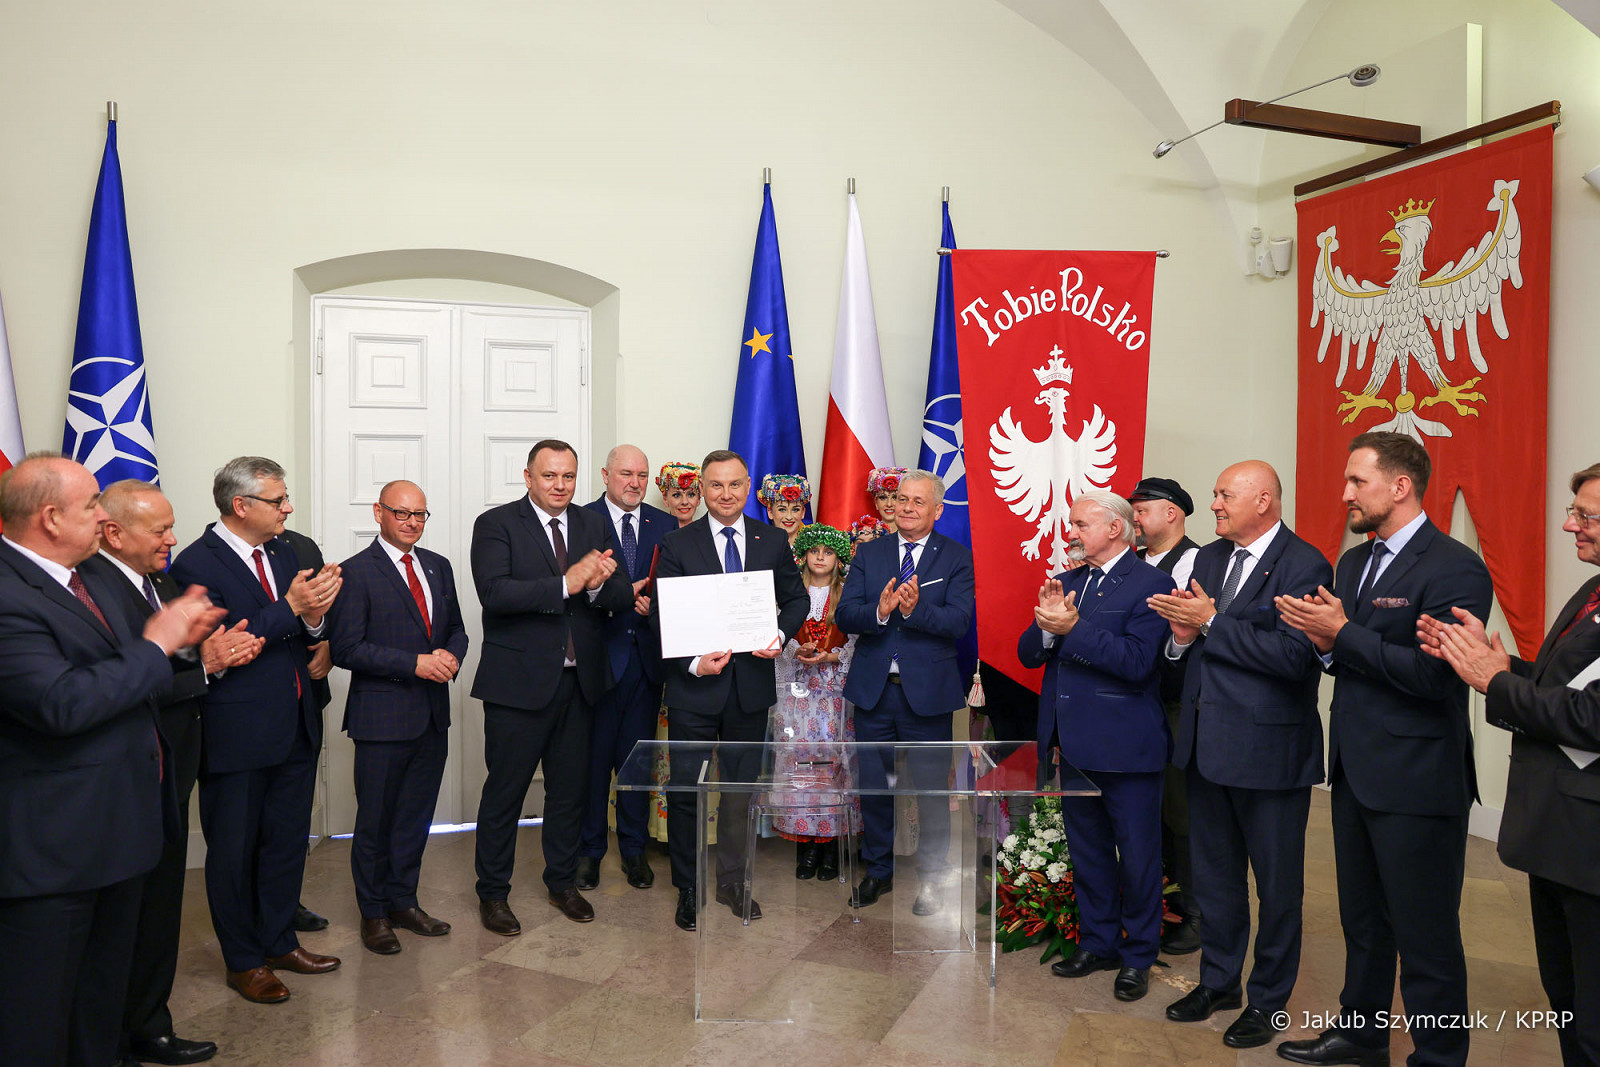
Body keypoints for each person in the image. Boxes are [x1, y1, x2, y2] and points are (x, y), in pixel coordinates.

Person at [1275, 432, 1492, 1067]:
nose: (1345, 493)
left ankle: (1439, 1055)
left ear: (1400, 486)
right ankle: (1361, 1036)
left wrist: (1342, 633)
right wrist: (1325, 644)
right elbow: (1350, 657)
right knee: (1364, 922)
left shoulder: (1453, 566)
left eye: (1357, 481)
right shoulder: (1352, 563)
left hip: (1418, 777)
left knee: (1426, 934)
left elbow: (1435, 677)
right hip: (1356, 770)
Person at [0, 454, 224, 1066]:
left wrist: (181, 642)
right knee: (41, 1014)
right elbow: (60, 702)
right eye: (92, 504)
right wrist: (159, 643)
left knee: (100, 1000)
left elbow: (123, 668)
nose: (104, 517)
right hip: (53, 849)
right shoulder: (8, 592)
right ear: (50, 518)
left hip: (118, 830)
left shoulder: (86, 578)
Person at [1418, 462, 1600, 1067]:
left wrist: (1496, 682)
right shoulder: (1592, 591)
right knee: (1568, 999)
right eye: (1574, 511)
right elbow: (1564, 689)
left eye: (1586, 515)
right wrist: (1500, 665)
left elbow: (1593, 717)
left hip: (1589, 845)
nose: (1570, 525)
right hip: (1560, 837)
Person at [1146, 462, 1330, 1050]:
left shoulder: (1305, 565)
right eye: (1216, 495)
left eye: (1226, 495)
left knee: (1277, 890)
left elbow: (1294, 658)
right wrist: (1181, 641)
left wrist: (1210, 622)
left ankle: (1268, 1001)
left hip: (1270, 754)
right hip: (1206, 749)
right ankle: (1219, 983)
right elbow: (1193, 645)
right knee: (1217, 882)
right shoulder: (1208, 558)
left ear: (1264, 500)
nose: (1215, 505)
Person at [84, 480, 263, 1067]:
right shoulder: (90, 587)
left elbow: (175, 658)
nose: (172, 539)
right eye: (159, 529)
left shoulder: (160, 582)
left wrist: (214, 654)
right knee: (123, 918)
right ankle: (115, 1038)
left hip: (173, 764)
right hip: (125, 774)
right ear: (113, 533)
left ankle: (150, 1025)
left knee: (161, 905)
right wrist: (204, 667)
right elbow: (120, 683)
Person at [170, 457, 345, 1005]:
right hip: (237, 731)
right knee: (234, 851)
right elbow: (233, 643)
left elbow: (305, 629)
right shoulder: (196, 563)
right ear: (240, 505)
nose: (289, 508)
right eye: (278, 500)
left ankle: (279, 941)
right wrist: (291, 606)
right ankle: (244, 960)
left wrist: (315, 619)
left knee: (285, 844)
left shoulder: (286, 551)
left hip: (296, 721)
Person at [470, 439, 633, 934]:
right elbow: (495, 593)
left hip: (579, 685)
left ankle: (562, 882)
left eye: (568, 476)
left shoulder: (591, 523)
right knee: (506, 794)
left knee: (569, 793)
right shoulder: (496, 524)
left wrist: (598, 584)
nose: (560, 485)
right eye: (549, 476)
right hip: (517, 688)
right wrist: (569, 582)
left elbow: (620, 593)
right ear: (528, 477)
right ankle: (493, 894)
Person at [1019, 490, 1173, 1003]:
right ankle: (1099, 943)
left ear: (1115, 529)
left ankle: (1138, 956)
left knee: (1139, 858)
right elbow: (1028, 654)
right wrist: (1047, 628)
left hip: (1128, 749)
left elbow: (1138, 663)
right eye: (1072, 524)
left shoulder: (1152, 583)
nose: (1072, 532)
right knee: (1088, 854)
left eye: (1081, 524)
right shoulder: (1067, 582)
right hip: (1073, 745)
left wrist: (1073, 629)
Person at [654, 449, 809, 931]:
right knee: (687, 792)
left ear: (748, 488)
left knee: (741, 793)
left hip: (750, 690)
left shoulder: (770, 540)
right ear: (703, 489)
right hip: (694, 690)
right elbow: (664, 615)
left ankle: (733, 883)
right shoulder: (677, 543)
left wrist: (778, 635)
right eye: (716, 485)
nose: (726, 494)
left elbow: (796, 599)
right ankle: (688, 887)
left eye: (735, 484)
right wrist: (694, 663)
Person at [328, 480, 468, 956]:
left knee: (414, 819)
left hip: (431, 717)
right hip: (381, 721)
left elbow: (457, 628)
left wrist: (450, 655)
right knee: (375, 822)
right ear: (379, 513)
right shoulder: (355, 572)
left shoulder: (438, 566)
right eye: (401, 512)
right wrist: (415, 664)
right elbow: (347, 649)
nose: (412, 522)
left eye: (419, 514)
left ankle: (404, 902)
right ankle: (373, 913)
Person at [837, 469, 975, 916]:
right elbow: (845, 614)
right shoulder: (869, 552)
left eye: (918, 501)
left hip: (928, 696)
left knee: (931, 792)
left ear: (937, 510)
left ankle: (933, 878)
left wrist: (916, 612)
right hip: (874, 693)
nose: (907, 508)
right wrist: (879, 612)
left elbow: (959, 622)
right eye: (902, 499)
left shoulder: (956, 557)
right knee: (875, 788)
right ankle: (878, 870)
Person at [578, 445, 670, 891]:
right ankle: (589, 851)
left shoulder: (664, 524)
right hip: (596, 662)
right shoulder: (582, 521)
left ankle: (634, 850)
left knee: (637, 763)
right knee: (593, 763)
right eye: (626, 473)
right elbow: (573, 591)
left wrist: (658, 607)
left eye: (642, 475)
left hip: (646, 663)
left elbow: (679, 585)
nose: (635, 483)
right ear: (605, 474)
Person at [1128, 475, 1204, 956]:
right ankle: (1156, 904)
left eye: (1142, 510)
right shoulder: (1135, 562)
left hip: (1178, 702)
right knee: (1148, 810)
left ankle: (1193, 912)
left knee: (1181, 811)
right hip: (1139, 701)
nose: (1134, 519)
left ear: (1171, 512)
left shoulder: (1198, 562)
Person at [771, 523, 859, 881]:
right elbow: (775, 631)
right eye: (814, 551)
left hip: (833, 694)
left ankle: (831, 846)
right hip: (797, 694)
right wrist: (797, 649)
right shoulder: (791, 592)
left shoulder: (848, 593)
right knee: (801, 766)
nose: (820, 557)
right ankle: (805, 845)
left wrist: (832, 656)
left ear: (839, 559)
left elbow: (857, 641)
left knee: (832, 765)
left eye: (829, 552)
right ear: (803, 555)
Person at [277, 526, 337, 935]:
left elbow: (326, 614)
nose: (286, 508)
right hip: (252, 709)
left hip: (306, 700)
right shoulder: (205, 559)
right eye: (277, 500)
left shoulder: (301, 547)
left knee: (292, 817)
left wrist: (328, 643)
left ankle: (286, 902)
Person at [647, 462, 702, 844]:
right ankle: (661, 831)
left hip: (705, 656)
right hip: (663, 656)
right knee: (665, 749)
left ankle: (697, 834)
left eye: (690, 494)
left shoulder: (710, 537)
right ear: (665, 497)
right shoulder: (658, 537)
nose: (684, 501)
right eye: (676, 494)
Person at [758, 473, 810, 547]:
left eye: (795, 510)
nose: (789, 517)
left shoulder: (815, 544)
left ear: (803, 512)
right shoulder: (759, 545)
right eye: (782, 509)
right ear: (770, 512)